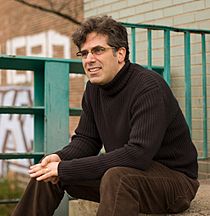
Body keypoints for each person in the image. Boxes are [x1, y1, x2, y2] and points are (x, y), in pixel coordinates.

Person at [12, 15, 199, 216]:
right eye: (84, 53)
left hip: (174, 181)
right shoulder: (93, 89)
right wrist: (59, 159)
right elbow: (86, 140)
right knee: (46, 173)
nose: (89, 59)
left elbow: (138, 154)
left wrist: (65, 168)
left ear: (120, 53)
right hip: (129, 174)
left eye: (98, 50)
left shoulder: (148, 88)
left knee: (117, 177)